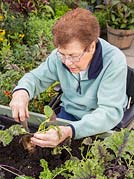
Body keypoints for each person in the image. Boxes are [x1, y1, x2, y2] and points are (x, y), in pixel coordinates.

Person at [9, 8, 128, 148]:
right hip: (69, 116)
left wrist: (71, 130)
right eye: (62, 54)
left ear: (91, 47)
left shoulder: (113, 61)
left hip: (100, 124)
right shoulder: (60, 57)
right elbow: (36, 78)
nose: (66, 62)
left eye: (73, 56)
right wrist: (22, 92)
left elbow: (109, 112)